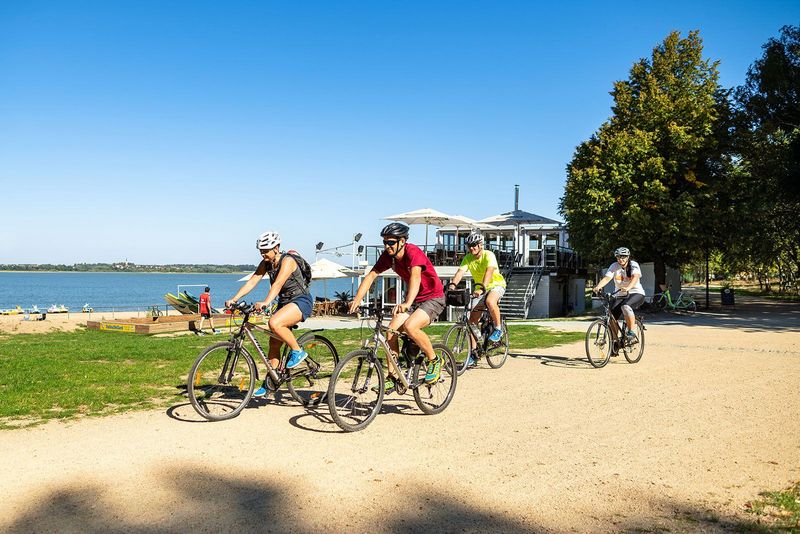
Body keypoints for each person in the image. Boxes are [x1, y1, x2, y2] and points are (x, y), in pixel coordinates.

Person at [348, 222, 446, 392]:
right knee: (390, 331)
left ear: (402, 241)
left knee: (410, 326)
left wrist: (407, 303)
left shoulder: (413, 252)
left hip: (433, 298)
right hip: (415, 301)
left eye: (391, 242)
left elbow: (415, 277)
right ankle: (393, 376)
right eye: (385, 242)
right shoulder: (388, 257)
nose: (387, 246)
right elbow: (371, 275)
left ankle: (435, 360)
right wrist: (357, 299)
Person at [226, 231, 314, 397]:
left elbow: (278, 283)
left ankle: (298, 351)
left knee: (274, 323)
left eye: (266, 250)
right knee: (274, 344)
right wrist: (234, 298)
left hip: (301, 300)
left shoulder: (287, 261)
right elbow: (252, 281)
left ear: (276, 247)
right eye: (260, 250)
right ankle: (271, 382)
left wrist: (266, 302)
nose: (262, 253)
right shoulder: (266, 264)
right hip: (285, 302)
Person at [447, 231, 507, 365]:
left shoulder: (488, 255)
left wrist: (482, 288)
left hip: (495, 285)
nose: (471, 248)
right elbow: (460, 272)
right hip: (480, 289)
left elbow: (489, 272)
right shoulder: (468, 258)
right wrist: (451, 286)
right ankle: (474, 353)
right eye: (469, 246)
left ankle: (498, 329)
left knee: (490, 301)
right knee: (471, 322)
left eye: (474, 245)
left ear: (480, 245)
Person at [592, 247, 645, 345]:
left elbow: (635, 277)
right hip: (619, 295)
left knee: (626, 307)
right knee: (611, 316)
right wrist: (598, 287)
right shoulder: (614, 266)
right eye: (618, 257)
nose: (621, 259)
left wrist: (628, 287)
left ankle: (631, 333)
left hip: (636, 293)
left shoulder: (633, 265)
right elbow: (607, 278)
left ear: (628, 257)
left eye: (623, 257)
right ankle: (615, 342)